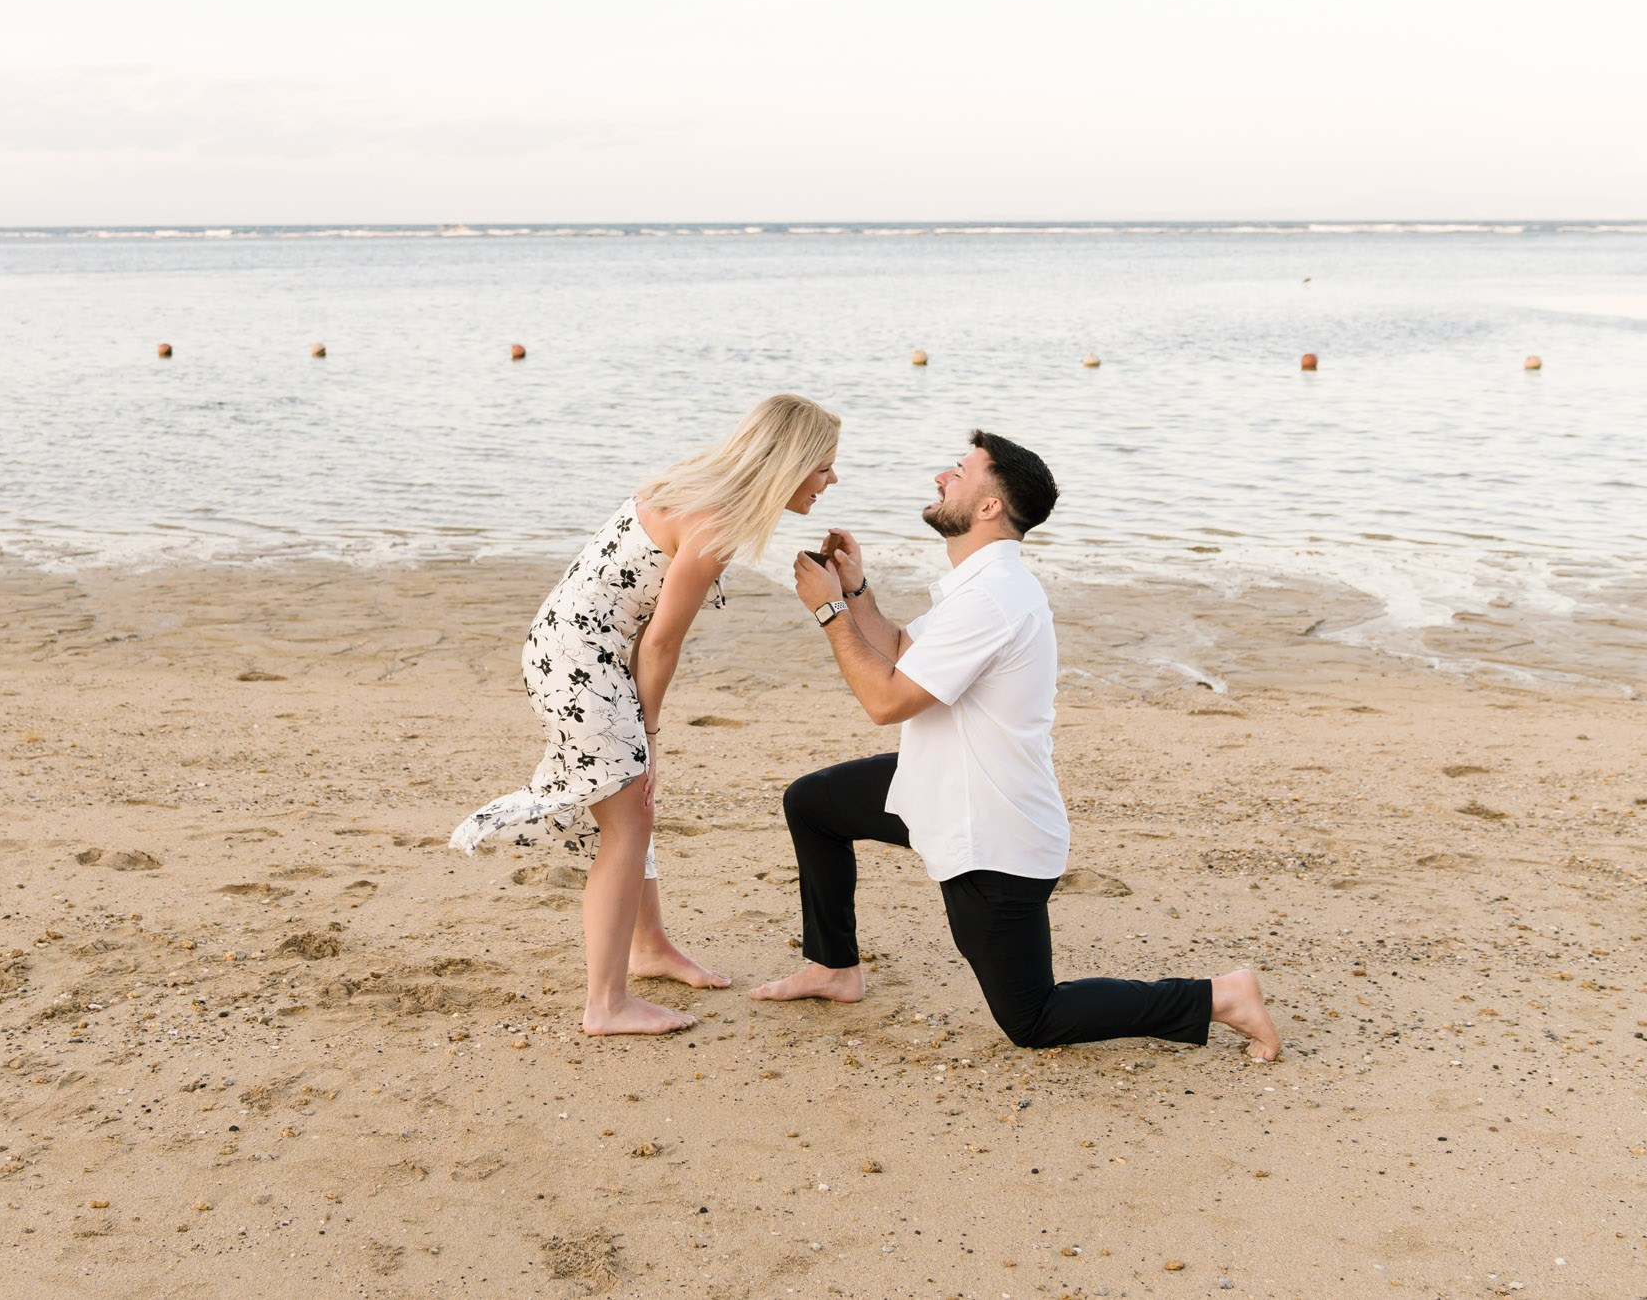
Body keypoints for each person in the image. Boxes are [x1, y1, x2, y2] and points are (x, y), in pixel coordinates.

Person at [752, 430, 1282, 1061]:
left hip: (992, 832)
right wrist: (857, 591)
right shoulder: (981, 586)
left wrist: (830, 613)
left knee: (1033, 1018)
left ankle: (1221, 996)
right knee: (814, 803)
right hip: (938, 786)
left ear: (988, 507)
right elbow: (899, 652)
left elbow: (886, 700)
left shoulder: (992, 597)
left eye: (959, 471)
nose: (940, 478)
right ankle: (834, 968)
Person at [452, 393, 844, 1036]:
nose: (832, 480)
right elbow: (660, 643)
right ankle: (605, 1004)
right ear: (788, 463)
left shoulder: (703, 485)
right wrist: (650, 737)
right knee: (629, 814)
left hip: (568, 647)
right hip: (578, 659)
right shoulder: (715, 521)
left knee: (634, 808)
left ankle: (649, 947)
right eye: (824, 467)